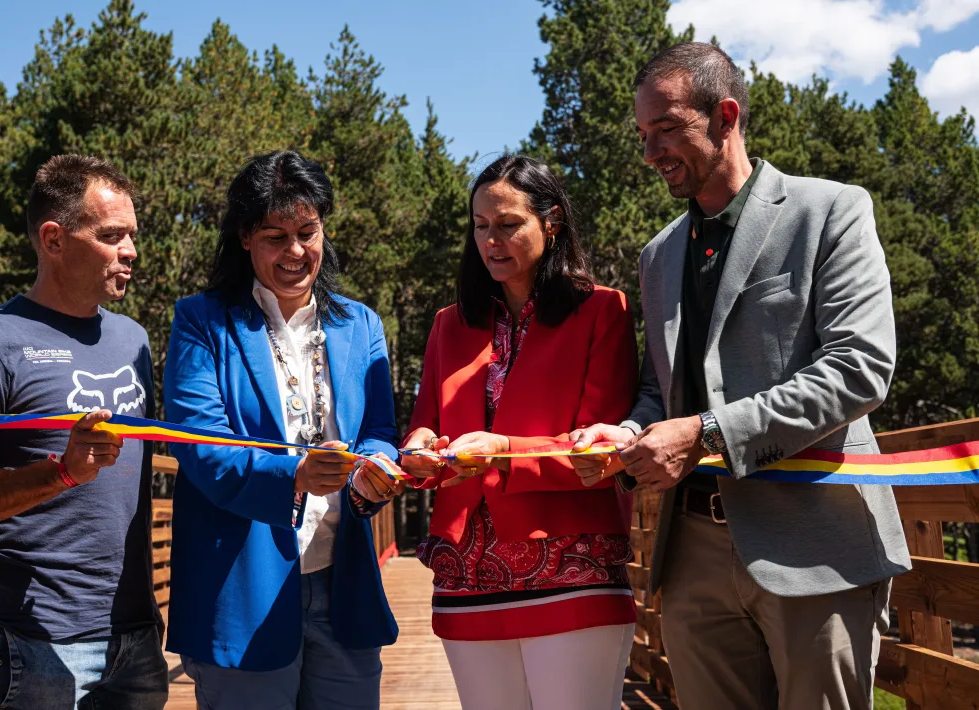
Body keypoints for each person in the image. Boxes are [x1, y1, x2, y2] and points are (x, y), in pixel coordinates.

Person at [571, 42, 911, 710]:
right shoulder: (659, 255)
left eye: (666, 130)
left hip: (815, 545)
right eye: (642, 135)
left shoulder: (832, 211)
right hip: (690, 552)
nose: (650, 153)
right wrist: (626, 431)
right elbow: (659, 387)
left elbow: (859, 368)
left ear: (725, 116)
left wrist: (701, 434)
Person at [0, 155, 169, 709]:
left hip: (134, 640)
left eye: (132, 235)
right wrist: (61, 472)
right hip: (27, 644)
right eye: (111, 235)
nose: (130, 251)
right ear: (54, 239)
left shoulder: (134, 340)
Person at [162, 150, 403, 710]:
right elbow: (200, 447)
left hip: (343, 581)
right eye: (275, 235)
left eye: (307, 232)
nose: (295, 251)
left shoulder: (360, 322)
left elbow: (379, 429)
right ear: (245, 237)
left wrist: (373, 469)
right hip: (240, 582)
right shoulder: (202, 321)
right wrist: (295, 473)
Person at [398, 155, 639, 710]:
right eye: (481, 226)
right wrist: (418, 449)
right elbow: (425, 422)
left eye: (508, 224)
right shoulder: (447, 323)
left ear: (551, 222)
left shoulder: (603, 311)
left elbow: (600, 448)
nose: (491, 240)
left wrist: (502, 452)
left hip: (571, 562)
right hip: (467, 573)